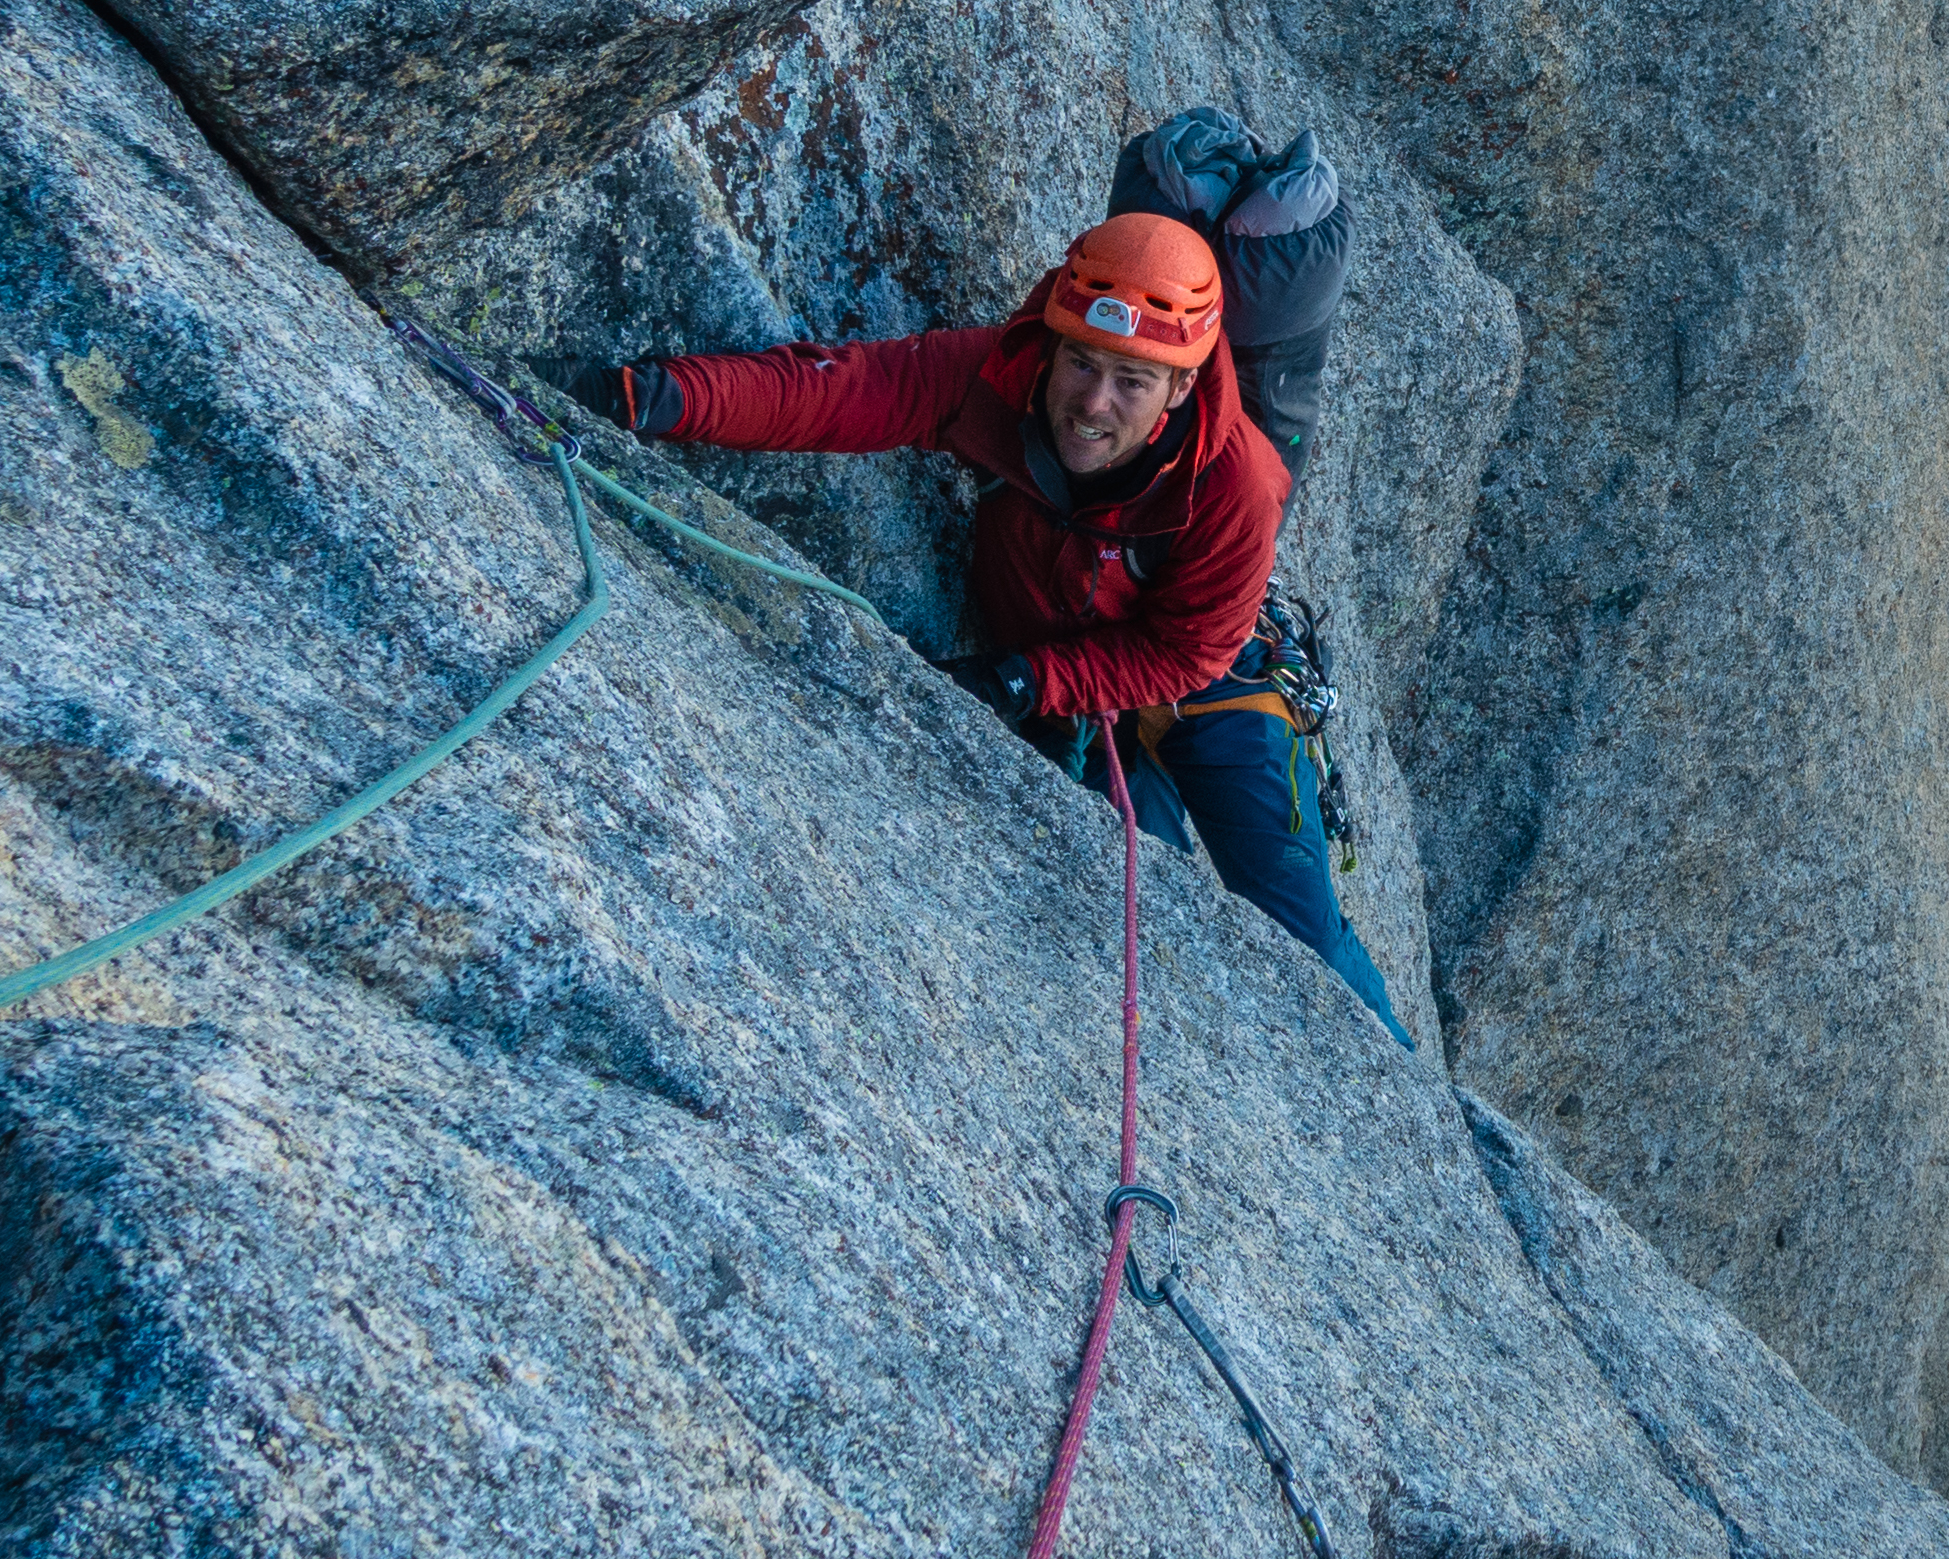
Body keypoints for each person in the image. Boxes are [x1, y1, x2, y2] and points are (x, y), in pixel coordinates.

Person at [593, 195, 1407, 1042]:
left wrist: (1028, 678)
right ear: (1053, 340)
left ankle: (1421, 1122)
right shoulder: (994, 380)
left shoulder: (1237, 483)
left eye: (1132, 381)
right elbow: (837, 393)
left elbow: (1187, 651)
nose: (1093, 404)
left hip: (1216, 692)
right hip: (1087, 710)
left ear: (1182, 385)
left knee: (1302, 932)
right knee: (1146, 918)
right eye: (1082, 363)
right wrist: (653, 397)